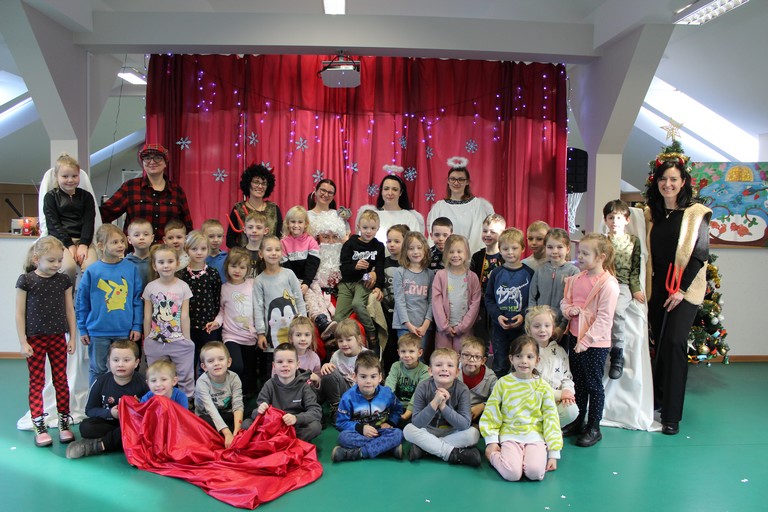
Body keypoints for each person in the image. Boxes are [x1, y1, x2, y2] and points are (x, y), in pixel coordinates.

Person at [645, 157, 711, 436]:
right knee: (659, 345)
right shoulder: (651, 213)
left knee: (673, 343)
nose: (668, 184)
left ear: (683, 182)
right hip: (656, 287)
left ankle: (672, 416)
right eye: (663, 179)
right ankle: (658, 400)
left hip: (685, 288)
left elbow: (700, 254)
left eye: (673, 179)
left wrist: (680, 290)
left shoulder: (697, 213)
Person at [15, 236, 76, 447]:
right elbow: (19, 313)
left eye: (59, 260)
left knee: (61, 380)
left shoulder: (63, 280)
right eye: (51, 260)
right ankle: (39, 425)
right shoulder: (26, 280)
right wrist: (23, 342)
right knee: (37, 381)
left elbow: (69, 310)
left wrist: (72, 337)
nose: (57, 265)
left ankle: (63, 422)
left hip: (58, 337)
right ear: (36, 259)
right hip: (35, 339)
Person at [560, 234, 619, 447]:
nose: (580, 257)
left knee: (594, 385)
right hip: (575, 338)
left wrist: (586, 341)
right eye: (580, 252)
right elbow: (565, 301)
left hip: (594, 343)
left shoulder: (608, 284)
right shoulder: (577, 279)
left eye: (585, 253)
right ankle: (578, 420)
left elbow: (605, 319)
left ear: (601, 257)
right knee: (578, 382)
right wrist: (568, 310)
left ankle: (594, 426)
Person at [480, 335, 563, 481]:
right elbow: (492, 412)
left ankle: (527, 458)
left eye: (529, 357)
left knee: (535, 473)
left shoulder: (543, 387)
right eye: (519, 356)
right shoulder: (503, 383)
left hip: (535, 437)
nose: (524, 361)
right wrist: (491, 441)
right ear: (511, 359)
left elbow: (551, 419)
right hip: (510, 436)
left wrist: (553, 453)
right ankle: (493, 457)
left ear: (537, 360)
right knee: (512, 474)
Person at [76, 224, 143, 384]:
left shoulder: (131, 269)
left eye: (121, 241)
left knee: (125, 369)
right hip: (98, 331)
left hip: (124, 331)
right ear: (101, 246)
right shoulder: (92, 271)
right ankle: (95, 398)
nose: (120, 245)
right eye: (114, 242)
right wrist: (82, 328)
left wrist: (136, 326)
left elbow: (137, 300)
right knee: (97, 369)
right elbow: (82, 302)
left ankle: (123, 398)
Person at [65, 340, 148, 459]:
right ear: (109, 361)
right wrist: (110, 413)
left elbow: (150, 412)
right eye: (116, 360)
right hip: (110, 424)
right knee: (86, 427)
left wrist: (137, 407)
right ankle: (120, 440)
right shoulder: (100, 382)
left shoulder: (143, 383)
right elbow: (90, 410)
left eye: (126, 360)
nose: (120, 364)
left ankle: (99, 445)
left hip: (132, 424)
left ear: (136, 363)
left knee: (143, 430)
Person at [403, 348, 481, 466]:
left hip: (452, 431)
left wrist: (443, 406)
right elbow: (417, 423)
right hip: (428, 430)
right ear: (430, 371)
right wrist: (435, 403)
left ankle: (425, 449)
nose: (444, 369)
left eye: (450, 365)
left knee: (474, 434)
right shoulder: (422, 387)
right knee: (408, 429)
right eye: (439, 365)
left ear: (457, 372)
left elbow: (464, 424)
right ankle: (452, 454)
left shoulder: (462, 389)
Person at [100, 144, 193, 240]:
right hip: (136, 249)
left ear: (165, 163)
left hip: (167, 249)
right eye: (147, 158)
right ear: (143, 163)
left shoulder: (177, 191)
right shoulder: (130, 187)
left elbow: (187, 227)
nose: (152, 162)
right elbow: (105, 214)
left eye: (158, 158)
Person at [142, 244, 195, 402]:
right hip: (155, 340)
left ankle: (187, 406)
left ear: (177, 264)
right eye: (161, 262)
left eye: (170, 261)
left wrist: (187, 339)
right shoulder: (150, 287)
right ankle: (157, 405)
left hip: (179, 340)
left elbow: (184, 315)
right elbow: (147, 316)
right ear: (154, 265)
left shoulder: (183, 286)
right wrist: (147, 339)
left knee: (185, 376)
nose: (166, 265)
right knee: (157, 376)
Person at [205, 247, 259, 396]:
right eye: (234, 266)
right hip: (231, 335)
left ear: (247, 269)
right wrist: (216, 322)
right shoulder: (224, 288)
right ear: (227, 266)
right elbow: (222, 311)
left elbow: (259, 307)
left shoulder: (252, 284)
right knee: (236, 366)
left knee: (249, 369)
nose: (237, 271)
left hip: (250, 335)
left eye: (242, 267)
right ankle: (232, 391)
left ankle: (246, 396)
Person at [331, 352, 404, 462]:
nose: (368, 381)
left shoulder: (387, 394)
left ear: (380, 377)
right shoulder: (348, 398)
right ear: (354, 377)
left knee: (398, 434)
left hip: (381, 431)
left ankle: (358, 453)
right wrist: (360, 428)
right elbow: (341, 423)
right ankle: (387, 449)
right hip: (359, 433)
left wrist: (390, 422)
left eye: (373, 376)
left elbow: (397, 410)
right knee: (343, 438)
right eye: (363, 376)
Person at [247, 342, 322, 442]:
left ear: (297, 364)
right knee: (246, 425)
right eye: (280, 362)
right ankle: (283, 442)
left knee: (315, 427)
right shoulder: (269, 385)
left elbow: (316, 411)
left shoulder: (305, 386)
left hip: (294, 426)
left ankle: (281, 442)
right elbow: (255, 414)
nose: (285, 365)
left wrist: (296, 418)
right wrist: (260, 410)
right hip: (273, 426)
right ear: (274, 365)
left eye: (290, 361)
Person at [604, 200, 645, 379]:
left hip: (622, 284)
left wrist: (635, 288)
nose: (615, 221)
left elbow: (636, 267)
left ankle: (617, 353)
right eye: (611, 217)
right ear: (605, 220)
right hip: (604, 283)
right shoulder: (602, 241)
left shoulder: (633, 241)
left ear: (627, 220)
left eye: (619, 218)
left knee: (617, 311)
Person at [485, 228, 534, 377]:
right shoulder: (496, 273)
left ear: (523, 248)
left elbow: (533, 300)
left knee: (520, 362)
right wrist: (497, 315)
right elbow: (489, 298)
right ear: (500, 250)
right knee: (500, 363)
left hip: (522, 328)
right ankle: (499, 389)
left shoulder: (529, 273)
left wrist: (523, 315)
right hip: (499, 328)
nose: (510, 252)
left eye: (514, 248)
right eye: (505, 249)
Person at [334, 209, 385, 352]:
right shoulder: (350, 244)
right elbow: (343, 268)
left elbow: (380, 268)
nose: (368, 231)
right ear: (358, 227)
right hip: (347, 281)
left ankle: (372, 334)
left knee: (357, 304)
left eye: (372, 228)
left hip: (364, 279)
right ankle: (345, 342)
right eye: (365, 227)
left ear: (378, 229)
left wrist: (379, 286)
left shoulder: (379, 246)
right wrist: (355, 266)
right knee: (338, 317)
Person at [42, 153, 97, 281]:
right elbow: (53, 224)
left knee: (92, 268)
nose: (70, 180)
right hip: (59, 241)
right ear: (56, 176)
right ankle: (67, 295)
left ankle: (84, 295)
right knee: (68, 268)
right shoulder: (51, 197)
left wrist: (84, 244)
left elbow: (89, 221)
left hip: (83, 239)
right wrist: (69, 244)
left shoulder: (86, 196)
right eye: (65, 176)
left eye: (74, 176)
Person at [427, 157, 494, 254]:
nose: (456, 182)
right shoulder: (439, 207)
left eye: (461, 179)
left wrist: (464, 255)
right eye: (453, 179)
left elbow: (477, 234)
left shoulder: (476, 204)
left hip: (468, 256)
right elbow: (434, 235)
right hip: (443, 257)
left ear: (467, 182)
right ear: (448, 181)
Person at [178, 231, 222, 378]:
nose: (199, 252)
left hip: (208, 326)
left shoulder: (213, 273)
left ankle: (209, 388)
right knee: (189, 362)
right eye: (194, 249)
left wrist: (215, 320)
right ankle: (190, 390)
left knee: (209, 361)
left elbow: (217, 299)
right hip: (187, 327)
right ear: (186, 249)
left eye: (203, 249)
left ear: (208, 250)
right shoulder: (181, 275)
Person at [526, 306, 579, 427]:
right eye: (537, 326)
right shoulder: (525, 352)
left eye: (547, 325)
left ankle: (548, 429)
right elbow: (527, 384)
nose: (542, 330)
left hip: (554, 402)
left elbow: (567, 377)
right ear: (529, 329)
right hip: (532, 402)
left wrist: (567, 391)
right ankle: (534, 430)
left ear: (553, 328)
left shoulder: (560, 351)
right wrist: (559, 394)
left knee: (571, 410)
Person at [281, 206, 330, 335]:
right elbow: (286, 268)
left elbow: (312, 264)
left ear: (306, 224)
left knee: (318, 297)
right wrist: (297, 284)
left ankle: (327, 325)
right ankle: (319, 319)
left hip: (310, 280)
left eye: (300, 222)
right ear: (287, 223)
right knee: (309, 297)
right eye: (293, 222)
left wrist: (307, 283)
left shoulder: (311, 241)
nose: (296, 225)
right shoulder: (283, 243)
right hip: (293, 281)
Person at [254, 236, 307, 353]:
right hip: (273, 334)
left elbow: (299, 299)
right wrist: (260, 333)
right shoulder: (259, 280)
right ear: (261, 254)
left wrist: (304, 323)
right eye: (269, 250)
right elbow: (258, 308)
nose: (274, 253)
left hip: (294, 331)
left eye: (277, 250)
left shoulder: (289, 274)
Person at [432, 235, 481, 352]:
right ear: (446, 254)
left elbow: (475, 304)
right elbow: (436, 302)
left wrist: (462, 327)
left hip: (464, 330)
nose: (455, 255)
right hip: (443, 331)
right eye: (451, 252)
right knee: (443, 357)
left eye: (459, 252)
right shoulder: (440, 275)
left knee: (463, 357)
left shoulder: (472, 277)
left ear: (466, 254)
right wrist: (444, 327)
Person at [528, 228, 579, 339]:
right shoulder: (540, 271)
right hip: (541, 326)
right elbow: (532, 298)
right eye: (550, 247)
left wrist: (562, 327)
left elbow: (574, 302)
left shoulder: (574, 272)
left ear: (568, 249)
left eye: (559, 247)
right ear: (545, 248)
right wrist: (533, 320)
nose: (555, 251)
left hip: (563, 328)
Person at [356, 172, 425, 250]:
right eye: (386, 189)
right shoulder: (371, 216)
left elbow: (415, 244)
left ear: (400, 192)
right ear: (381, 191)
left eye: (394, 189)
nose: (390, 193)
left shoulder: (410, 217)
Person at [195, 341, 244, 448]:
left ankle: (229, 434)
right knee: (202, 425)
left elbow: (238, 405)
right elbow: (211, 410)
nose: (216, 363)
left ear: (229, 362)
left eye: (221, 359)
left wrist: (236, 432)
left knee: (245, 421)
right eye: (210, 361)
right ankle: (223, 435)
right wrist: (227, 433)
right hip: (207, 416)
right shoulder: (202, 383)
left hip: (226, 413)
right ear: (204, 366)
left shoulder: (234, 378)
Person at [392, 231, 434, 354]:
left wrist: (426, 325)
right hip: (404, 326)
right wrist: (408, 325)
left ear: (425, 249)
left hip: (423, 326)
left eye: (419, 248)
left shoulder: (430, 274)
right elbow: (399, 300)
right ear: (405, 251)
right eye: (411, 248)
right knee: (406, 358)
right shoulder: (400, 272)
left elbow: (432, 301)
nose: (415, 252)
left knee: (420, 357)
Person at [226, 163, 282, 249]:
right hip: (245, 256)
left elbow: (279, 237)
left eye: (264, 183)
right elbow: (230, 240)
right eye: (256, 182)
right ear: (248, 183)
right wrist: (244, 252)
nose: (260, 186)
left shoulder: (274, 209)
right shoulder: (238, 209)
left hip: (269, 256)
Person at [320, 319, 368, 416]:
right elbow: (332, 377)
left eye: (348, 340)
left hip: (362, 392)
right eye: (340, 341)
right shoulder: (336, 356)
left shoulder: (367, 355)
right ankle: (337, 408)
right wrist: (326, 366)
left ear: (358, 339)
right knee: (328, 372)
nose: (344, 344)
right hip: (344, 390)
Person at [470, 214, 506, 344]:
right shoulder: (477, 256)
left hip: (499, 306)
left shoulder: (505, 258)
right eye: (485, 231)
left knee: (498, 341)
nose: (487, 234)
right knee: (480, 340)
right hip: (480, 306)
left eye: (492, 232)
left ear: (502, 234)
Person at [384, 333, 429, 423]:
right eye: (403, 351)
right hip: (396, 406)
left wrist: (406, 415)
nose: (407, 355)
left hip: (416, 408)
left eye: (411, 351)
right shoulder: (396, 366)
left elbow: (419, 394)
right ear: (398, 352)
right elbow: (389, 386)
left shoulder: (425, 370)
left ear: (419, 353)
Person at [381, 224, 408, 371]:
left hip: (403, 315)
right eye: (389, 241)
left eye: (396, 241)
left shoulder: (409, 265)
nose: (391, 245)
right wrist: (369, 277)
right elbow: (366, 276)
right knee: (388, 348)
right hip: (385, 313)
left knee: (403, 347)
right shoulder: (382, 261)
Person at [457, 336, 497, 424]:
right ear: (459, 357)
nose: (471, 360)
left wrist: (483, 406)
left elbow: (497, 398)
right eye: (466, 355)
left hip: (480, 412)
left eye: (477, 356)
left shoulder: (491, 378)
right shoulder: (453, 374)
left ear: (483, 360)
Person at [282, 316, 322, 389]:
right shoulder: (283, 356)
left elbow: (318, 383)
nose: (303, 339)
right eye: (298, 335)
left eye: (307, 335)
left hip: (308, 393)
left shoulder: (314, 357)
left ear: (312, 338)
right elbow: (275, 380)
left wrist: (316, 378)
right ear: (291, 338)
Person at [125, 218, 155, 291]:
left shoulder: (157, 260)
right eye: (137, 235)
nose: (141, 238)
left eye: (146, 234)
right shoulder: (125, 263)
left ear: (152, 238)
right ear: (129, 240)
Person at [243, 210, 269, 278]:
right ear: (245, 230)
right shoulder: (240, 253)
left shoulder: (269, 253)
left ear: (265, 231)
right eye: (250, 227)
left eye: (259, 228)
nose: (254, 230)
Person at [202, 219, 228, 283]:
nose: (216, 240)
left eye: (219, 236)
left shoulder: (227, 258)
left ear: (223, 237)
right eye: (211, 236)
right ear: (202, 237)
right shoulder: (199, 257)